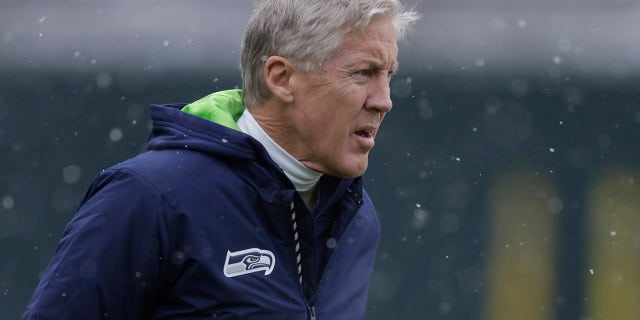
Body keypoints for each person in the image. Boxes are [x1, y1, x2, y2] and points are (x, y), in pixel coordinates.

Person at [22, 0, 419, 319]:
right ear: (281, 78)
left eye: (389, 75)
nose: (384, 100)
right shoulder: (150, 196)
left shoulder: (357, 216)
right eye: (364, 73)